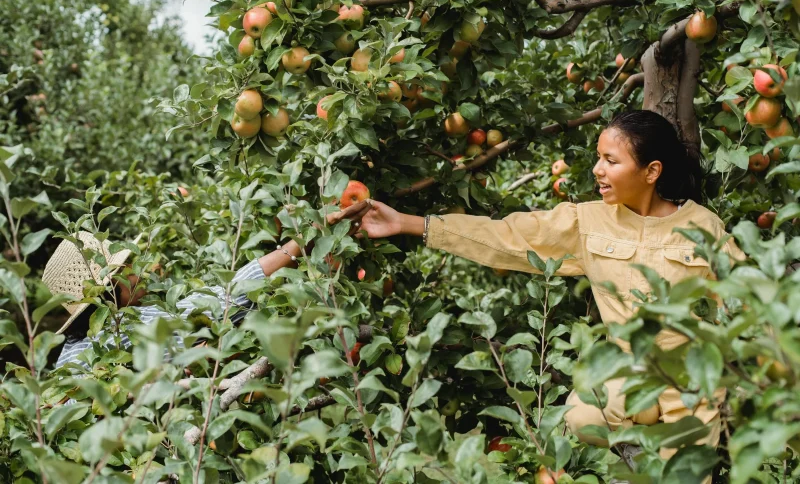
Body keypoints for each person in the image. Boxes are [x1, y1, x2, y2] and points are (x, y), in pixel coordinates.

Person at [359, 110, 745, 467]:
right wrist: (408, 223)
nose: (597, 170)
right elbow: (506, 236)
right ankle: (642, 450)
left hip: (693, 383)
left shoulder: (702, 227)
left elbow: (745, 299)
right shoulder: (588, 222)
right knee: (582, 413)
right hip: (630, 373)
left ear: (651, 171)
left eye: (611, 161)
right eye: (598, 158)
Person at [45, 201, 372, 371]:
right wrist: (302, 240)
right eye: (128, 270)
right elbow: (228, 299)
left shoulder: (66, 361)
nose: (139, 273)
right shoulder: (132, 327)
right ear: (110, 289)